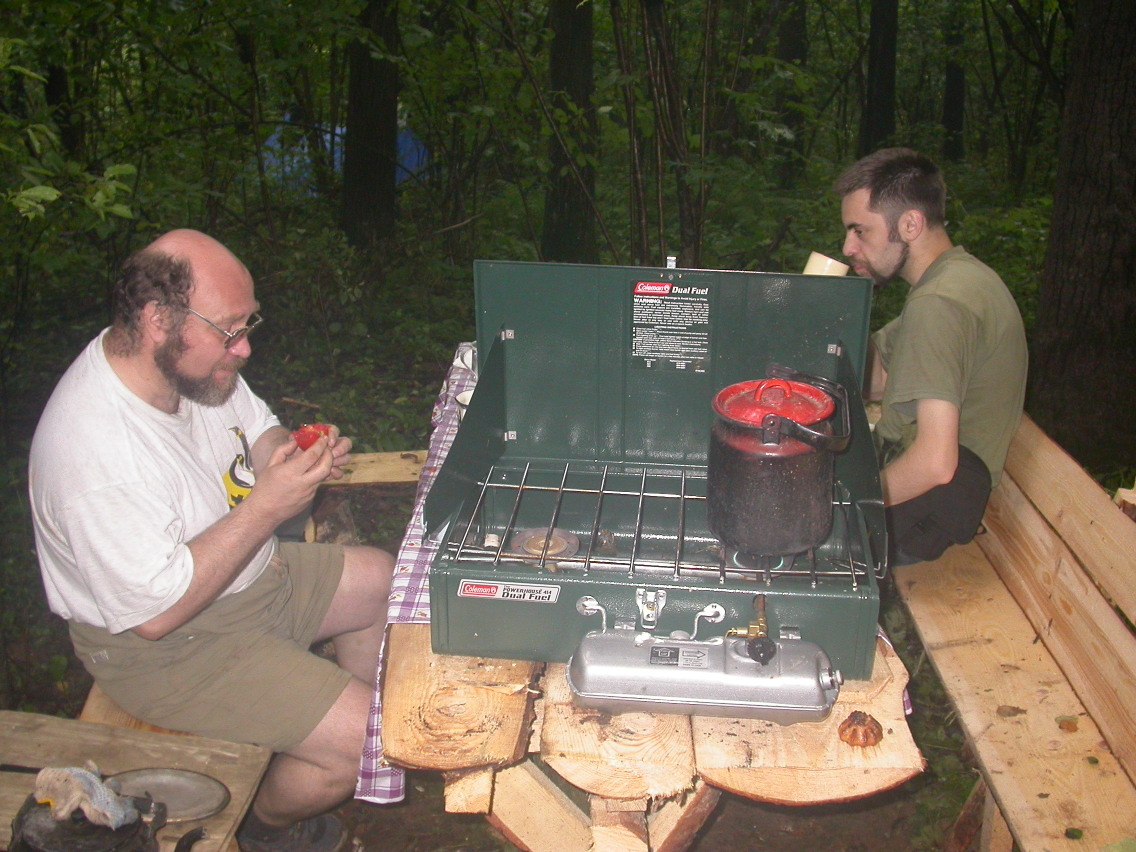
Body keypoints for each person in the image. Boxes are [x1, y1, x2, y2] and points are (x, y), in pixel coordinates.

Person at [28, 229, 394, 852]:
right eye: (230, 331)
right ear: (158, 319)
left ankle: (321, 730)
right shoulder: (94, 451)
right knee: (375, 742)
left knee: (384, 580)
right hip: (166, 649)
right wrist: (269, 504)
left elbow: (258, 429)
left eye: (248, 325)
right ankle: (265, 825)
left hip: (250, 578)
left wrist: (293, 456)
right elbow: (155, 614)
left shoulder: (194, 371)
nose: (244, 348)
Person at [833, 148, 1028, 567]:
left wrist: (846, 505)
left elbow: (936, 464)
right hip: (928, 489)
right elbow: (879, 378)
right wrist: (826, 321)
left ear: (910, 224)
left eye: (860, 231)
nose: (848, 246)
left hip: (928, 507)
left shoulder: (939, 303)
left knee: (781, 538)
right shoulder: (960, 277)